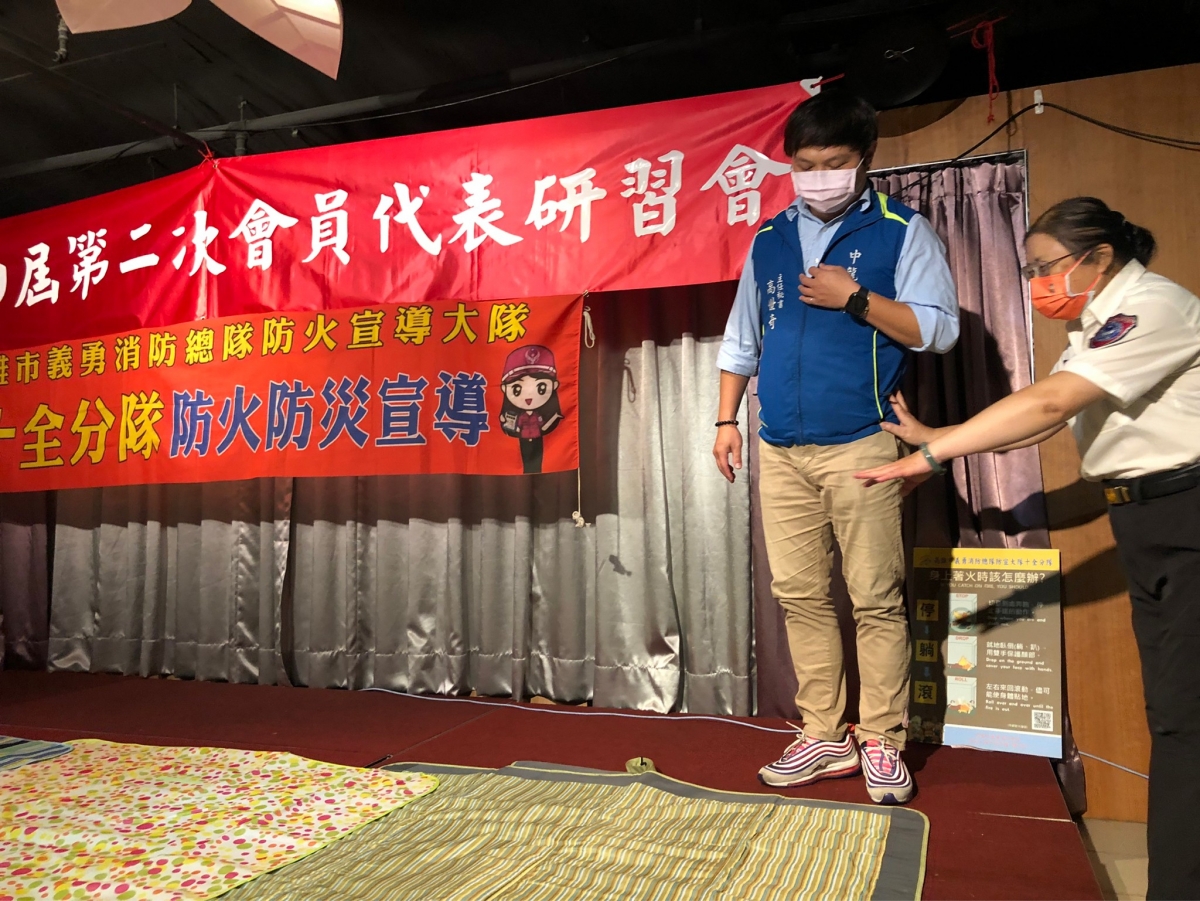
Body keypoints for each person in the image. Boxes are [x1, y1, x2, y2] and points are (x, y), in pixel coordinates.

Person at [856, 197, 1200, 898]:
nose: (1038, 283)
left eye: (1046, 267)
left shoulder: (1150, 309)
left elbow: (1050, 404)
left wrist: (934, 455)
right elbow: (1044, 422)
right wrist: (936, 437)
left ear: (1099, 257)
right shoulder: (1095, 324)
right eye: (1030, 271)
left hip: (1184, 516)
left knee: (1182, 721)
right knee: (1175, 712)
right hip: (1150, 524)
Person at [712, 89, 959, 804]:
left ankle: (882, 738)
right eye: (805, 164)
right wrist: (725, 421)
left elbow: (939, 330)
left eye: (834, 163)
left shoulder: (902, 231)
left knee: (875, 597)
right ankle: (823, 732)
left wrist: (856, 298)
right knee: (798, 594)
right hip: (780, 445)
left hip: (862, 442)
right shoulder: (769, 237)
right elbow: (741, 337)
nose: (818, 176)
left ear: (866, 159)